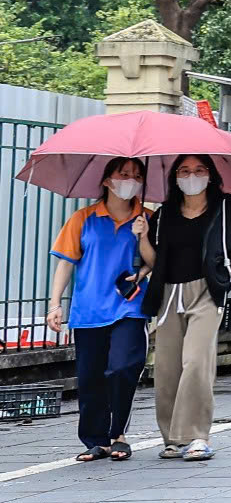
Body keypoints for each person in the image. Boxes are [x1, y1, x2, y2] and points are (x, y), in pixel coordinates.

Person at [144, 154, 231, 462]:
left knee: (196, 362)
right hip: (168, 294)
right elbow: (153, 256)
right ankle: (172, 438)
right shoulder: (165, 214)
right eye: (185, 170)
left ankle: (196, 436)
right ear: (175, 177)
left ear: (211, 175)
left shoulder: (226, 208)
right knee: (167, 367)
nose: (192, 176)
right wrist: (141, 236)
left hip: (205, 291)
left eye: (199, 170)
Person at [47, 156, 153, 463]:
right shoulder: (83, 218)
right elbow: (66, 262)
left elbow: (156, 262)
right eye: (123, 174)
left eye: (136, 175)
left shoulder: (146, 218)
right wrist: (54, 304)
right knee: (90, 376)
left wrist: (143, 237)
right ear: (107, 180)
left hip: (130, 307)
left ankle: (119, 434)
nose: (130, 180)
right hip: (89, 310)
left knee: (123, 367)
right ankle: (96, 440)